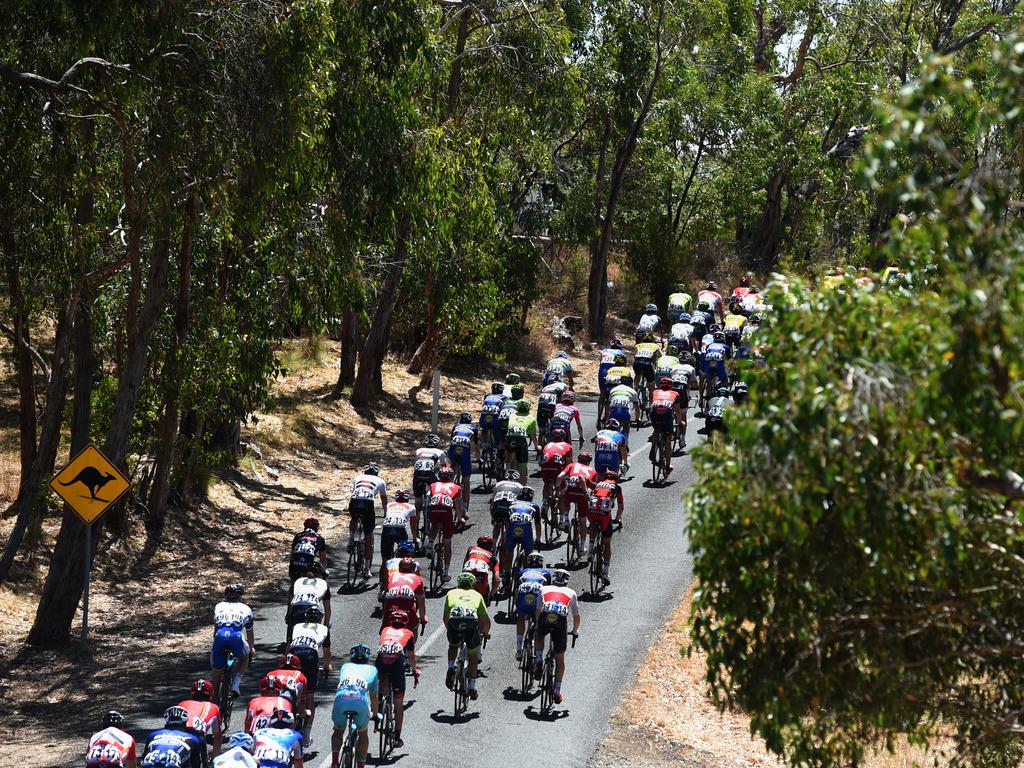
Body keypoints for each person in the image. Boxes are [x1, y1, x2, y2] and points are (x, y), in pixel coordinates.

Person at [534, 569, 581, 704]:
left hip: (545, 615)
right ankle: (557, 692)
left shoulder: (544, 588)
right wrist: (575, 631)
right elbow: (576, 617)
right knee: (559, 658)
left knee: (539, 636)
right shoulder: (571, 593)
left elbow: (538, 611)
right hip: (560, 620)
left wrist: (538, 626)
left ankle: (538, 658)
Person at [443, 572, 492, 699]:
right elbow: (485, 621)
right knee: (473, 656)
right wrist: (485, 633)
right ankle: (472, 687)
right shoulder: (477, 595)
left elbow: (445, 617)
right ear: (472, 584)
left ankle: (450, 668)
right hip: (470, 624)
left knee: (453, 646)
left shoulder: (451, 593)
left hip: (454, 622)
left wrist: (450, 629)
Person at [287, 605, 331, 742]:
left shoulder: (297, 626)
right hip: (310, 655)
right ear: (319, 619)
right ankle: (306, 733)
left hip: (294, 654)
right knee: (310, 697)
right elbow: (327, 653)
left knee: (288, 688)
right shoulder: (324, 629)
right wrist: (327, 666)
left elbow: (288, 648)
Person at [330, 645, 379, 768]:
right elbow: (373, 697)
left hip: (341, 699)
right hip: (360, 701)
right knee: (363, 733)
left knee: (338, 730)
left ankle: (335, 762)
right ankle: (361, 765)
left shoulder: (345, 666)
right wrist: (375, 714)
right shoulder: (373, 670)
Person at [376, 610, 419, 749]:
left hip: (381, 661)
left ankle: (379, 704)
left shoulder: (385, 630)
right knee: (399, 703)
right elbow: (411, 656)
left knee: (382, 675)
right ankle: (397, 736)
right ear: (406, 622)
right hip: (396, 665)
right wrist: (414, 670)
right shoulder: (409, 634)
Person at [211, 584, 254, 698]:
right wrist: (251, 648)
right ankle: (235, 685)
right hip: (236, 637)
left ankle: (214, 705)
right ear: (240, 597)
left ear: (225, 596)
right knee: (244, 657)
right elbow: (249, 633)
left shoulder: (218, 606)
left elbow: (215, 632)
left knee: (216, 675)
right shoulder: (246, 609)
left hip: (220, 637)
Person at [349, 463, 387, 579]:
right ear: (377, 473)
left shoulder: (357, 478)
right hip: (367, 504)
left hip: (354, 502)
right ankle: (366, 569)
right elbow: (384, 499)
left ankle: (351, 540)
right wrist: (385, 513)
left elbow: (354, 491)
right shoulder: (381, 481)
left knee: (354, 517)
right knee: (369, 536)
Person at [586, 470, 624, 584]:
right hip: (604, 515)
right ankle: (605, 572)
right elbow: (621, 507)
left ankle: (591, 550)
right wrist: (617, 519)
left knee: (593, 524)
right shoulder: (616, 487)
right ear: (616, 480)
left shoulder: (599, 484)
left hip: (591, 512)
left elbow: (588, 483)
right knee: (607, 542)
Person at [426, 466, 464, 581]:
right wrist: (461, 518)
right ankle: (446, 572)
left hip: (433, 510)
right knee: (447, 542)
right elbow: (458, 506)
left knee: (435, 525)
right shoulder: (457, 487)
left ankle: (430, 544)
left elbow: (431, 499)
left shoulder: (433, 485)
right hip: (446, 512)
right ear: (451, 477)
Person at [377, 489, 419, 591]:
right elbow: (413, 525)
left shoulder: (389, 505)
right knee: (404, 558)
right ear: (407, 499)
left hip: (387, 530)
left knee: (385, 560)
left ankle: (383, 586)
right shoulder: (411, 507)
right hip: (400, 530)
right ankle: (403, 582)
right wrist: (414, 538)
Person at [514, 553, 551, 660]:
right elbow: (547, 593)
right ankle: (538, 655)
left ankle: (519, 649)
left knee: (520, 617)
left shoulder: (521, 572)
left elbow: (516, 592)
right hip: (537, 598)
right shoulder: (546, 573)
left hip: (523, 598)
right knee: (538, 623)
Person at [141, 707, 206, 768]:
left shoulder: (152, 734)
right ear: (185, 722)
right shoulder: (193, 738)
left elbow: (143, 758)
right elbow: (196, 764)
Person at [555, 451, 598, 543]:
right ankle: (582, 547)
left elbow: (559, 477)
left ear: (578, 459)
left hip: (570, 492)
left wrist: (557, 489)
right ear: (589, 461)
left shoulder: (572, 465)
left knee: (563, 495)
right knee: (583, 521)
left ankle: (564, 519)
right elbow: (593, 488)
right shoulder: (592, 470)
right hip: (582, 495)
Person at [262, 656, 308, 737]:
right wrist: (303, 713)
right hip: (288, 701)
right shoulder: (301, 676)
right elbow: (301, 703)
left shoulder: (270, 673)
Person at [286, 562, 330, 644]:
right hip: (312, 609)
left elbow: (291, 600)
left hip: (296, 608)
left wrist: (289, 614)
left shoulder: (298, 581)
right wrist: (326, 625)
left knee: (291, 640)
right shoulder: (323, 583)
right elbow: (327, 608)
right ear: (320, 575)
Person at [381, 557, 427, 636]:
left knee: (385, 629)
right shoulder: (417, 579)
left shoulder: (392, 576)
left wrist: (384, 620)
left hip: (390, 605)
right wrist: (422, 618)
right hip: (407, 607)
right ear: (413, 569)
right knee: (414, 627)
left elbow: (386, 598)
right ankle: (411, 647)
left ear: (399, 568)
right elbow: (421, 602)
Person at [177, 679, 223, 757]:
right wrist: (214, 757)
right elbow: (217, 737)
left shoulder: (182, 703)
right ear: (210, 695)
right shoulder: (214, 707)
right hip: (196, 739)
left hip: (177, 737)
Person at [501, 486, 539, 581]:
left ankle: (506, 576)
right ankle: (525, 576)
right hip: (526, 531)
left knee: (509, 552)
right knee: (528, 553)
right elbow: (538, 525)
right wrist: (538, 539)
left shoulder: (511, 504)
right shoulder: (534, 506)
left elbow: (507, 520)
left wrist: (506, 534)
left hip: (512, 529)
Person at [649, 377, 685, 474]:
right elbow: (677, 411)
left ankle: (653, 448)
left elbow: (651, 403)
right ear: (671, 385)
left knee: (656, 429)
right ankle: (668, 466)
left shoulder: (655, 392)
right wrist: (680, 421)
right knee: (668, 439)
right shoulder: (675, 394)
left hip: (654, 413)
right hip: (666, 414)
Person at [412, 435, 447, 516]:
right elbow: (444, 468)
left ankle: (416, 518)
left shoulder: (419, 450)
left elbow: (414, 463)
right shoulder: (440, 452)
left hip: (417, 474)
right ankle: (433, 507)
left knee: (418, 498)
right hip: (429, 474)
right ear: (437, 443)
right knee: (436, 491)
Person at [539, 428, 573, 511]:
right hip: (557, 468)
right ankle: (562, 515)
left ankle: (544, 503)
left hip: (545, 468)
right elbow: (569, 465)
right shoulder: (568, 446)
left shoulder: (547, 445)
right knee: (562, 489)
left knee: (547, 484)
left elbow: (541, 461)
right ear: (563, 437)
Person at [505, 399, 538, 479]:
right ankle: (522, 485)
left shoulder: (512, 416)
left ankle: (507, 466)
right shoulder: (531, 418)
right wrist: (537, 447)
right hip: (521, 440)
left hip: (510, 438)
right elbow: (533, 436)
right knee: (522, 467)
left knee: (508, 450)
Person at [463, 535, 500, 603]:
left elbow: (464, 566)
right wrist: (491, 594)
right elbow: (497, 579)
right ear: (490, 546)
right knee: (484, 605)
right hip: (481, 581)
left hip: (466, 578)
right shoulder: (492, 558)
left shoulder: (471, 549)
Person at [489, 469, 523, 541]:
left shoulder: (499, 484)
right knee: (510, 525)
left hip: (497, 508)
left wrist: (492, 518)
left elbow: (492, 502)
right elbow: (521, 503)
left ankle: (494, 544)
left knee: (497, 524)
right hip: (509, 508)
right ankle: (507, 537)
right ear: (517, 479)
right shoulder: (520, 486)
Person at [596, 339, 624, 423]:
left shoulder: (604, 350)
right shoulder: (621, 352)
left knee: (603, 393)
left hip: (603, 370)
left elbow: (601, 362)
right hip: (614, 370)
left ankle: (599, 416)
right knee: (613, 392)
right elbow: (622, 365)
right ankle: (608, 416)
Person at [448, 413, 479, 489]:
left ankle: (449, 485)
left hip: (453, 449)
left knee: (452, 467)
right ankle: (465, 501)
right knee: (466, 478)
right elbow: (476, 444)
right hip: (464, 451)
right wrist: (478, 457)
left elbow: (452, 440)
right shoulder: (473, 427)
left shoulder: (456, 426)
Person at [607, 374, 640, 439]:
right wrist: (637, 418)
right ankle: (626, 441)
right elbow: (637, 408)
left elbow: (608, 406)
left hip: (614, 411)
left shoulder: (613, 389)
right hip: (624, 411)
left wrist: (607, 417)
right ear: (631, 384)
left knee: (612, 429)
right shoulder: (633, 391)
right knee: (626, 425)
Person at [479, 383, 508, 452]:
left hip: (484, 417)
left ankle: (484, 444)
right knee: (499, 431)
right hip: (495, 418)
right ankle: (498, 448)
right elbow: (504, 410)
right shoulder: (504, 397)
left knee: (484, 428)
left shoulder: (487, 395)